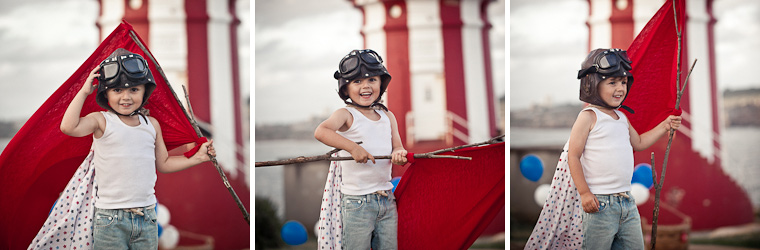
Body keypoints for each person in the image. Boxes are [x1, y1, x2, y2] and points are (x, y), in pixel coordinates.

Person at [59, 48, 215, 249]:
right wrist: (83, 91)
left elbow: (164, 163)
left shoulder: (151, 125)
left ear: (145, 91)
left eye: (134, 89)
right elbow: (68, 127)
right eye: (117, 90)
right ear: (105, 93)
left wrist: (198, 158)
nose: (126, 97)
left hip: (147, 216)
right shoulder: (101, 121)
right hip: (109, 220)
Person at [569, 48, 682, 249]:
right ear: (592, 83)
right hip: (599, 205)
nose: (620, 88)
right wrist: (585, 193)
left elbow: (638, 143)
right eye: (612, 82)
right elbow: (574, 156)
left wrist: (665, 125)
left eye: (623, 82)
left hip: (627, 203)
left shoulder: (622, 118)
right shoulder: (588, 117)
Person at [314, 49, 408, 250]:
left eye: (372, 80)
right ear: (345, 89)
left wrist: (399, 154)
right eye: (357, 82)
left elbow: (397, 146)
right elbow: (321, 131)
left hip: (386, 199)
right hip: (357, 203)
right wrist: (353, 148)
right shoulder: (346, 114)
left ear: (381, 84)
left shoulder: (387, 116)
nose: (365, 85)